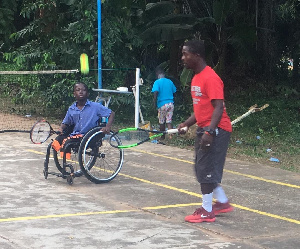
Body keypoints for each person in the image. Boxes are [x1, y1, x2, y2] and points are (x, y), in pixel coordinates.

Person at [178, 40, 233, 223]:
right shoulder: (195, 78)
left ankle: (207, 211)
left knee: (205, 170)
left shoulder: (211, 77)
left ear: (197, 55)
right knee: (202, 169)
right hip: (205, 128)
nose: (183, 58)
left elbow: (218, 107)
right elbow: (201, 109)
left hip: (216, 129)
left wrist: (210, 132)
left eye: (186, 54)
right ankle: (223, 203)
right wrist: (186, 123)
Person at [52, 82, 115, 159]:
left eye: (84, 90)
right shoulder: (71, 108)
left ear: (87, 93)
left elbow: (111, 113)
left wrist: (108, 126)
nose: (81, 92)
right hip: (75, 135)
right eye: (78, 90)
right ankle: (58, 165)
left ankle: (66, 166)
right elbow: (66, 122)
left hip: (89, 136)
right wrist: (61, 129)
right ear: (74, 94)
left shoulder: (95, 107)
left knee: (67, 142)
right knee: (57, 140)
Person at [151, 67, 176, 139]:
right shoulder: (170, 81)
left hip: (162, 104)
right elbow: (174, 92)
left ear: (157, 74)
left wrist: (154, 103)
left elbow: (155, 92)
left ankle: (162, 136)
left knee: (161, 121)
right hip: (171, 104)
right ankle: (171, 136)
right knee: (169, 120)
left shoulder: (157, 82)